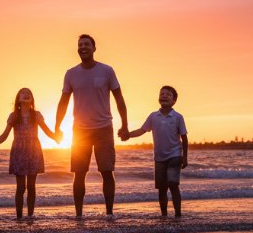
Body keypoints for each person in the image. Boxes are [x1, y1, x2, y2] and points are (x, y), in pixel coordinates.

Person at [54, 34, 128, 216]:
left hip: (104, 128)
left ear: (94, 48)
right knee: (79, 173)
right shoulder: (71, 74)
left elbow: (119, 99)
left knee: (107, 171)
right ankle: (78, 214)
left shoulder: (107, 71)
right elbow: (63, 102)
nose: (83, 47)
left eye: (87, 44)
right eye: (80, 45)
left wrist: (124, 125)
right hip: (80, 131)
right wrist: (57, 127)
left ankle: (109, 214)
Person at [121, 85, 188, 217]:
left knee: (173, 184)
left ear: (174, 100)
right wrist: (128, 135)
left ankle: (178, 215)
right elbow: (142, 130)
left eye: (168, 94)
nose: (164, 96)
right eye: (161, 94)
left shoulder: (178, 117)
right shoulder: (153, 116)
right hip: (159, 158)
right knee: (162, 188)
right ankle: (164, 215)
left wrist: (184, 157)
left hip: (175, 155)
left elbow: (184, 138)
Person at [0, 88, 59, 218]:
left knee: (31, 186)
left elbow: (47, 131)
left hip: (33, 151)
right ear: (18, 99)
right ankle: (19, 216)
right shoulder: (14, 116)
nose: (26, 94)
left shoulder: (36, 115)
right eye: (23, 93)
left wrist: (56, 137)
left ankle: (30, 216)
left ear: (32, 100)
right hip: (19, 151)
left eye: (28, 93)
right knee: (20, 187)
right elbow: (5, 134)